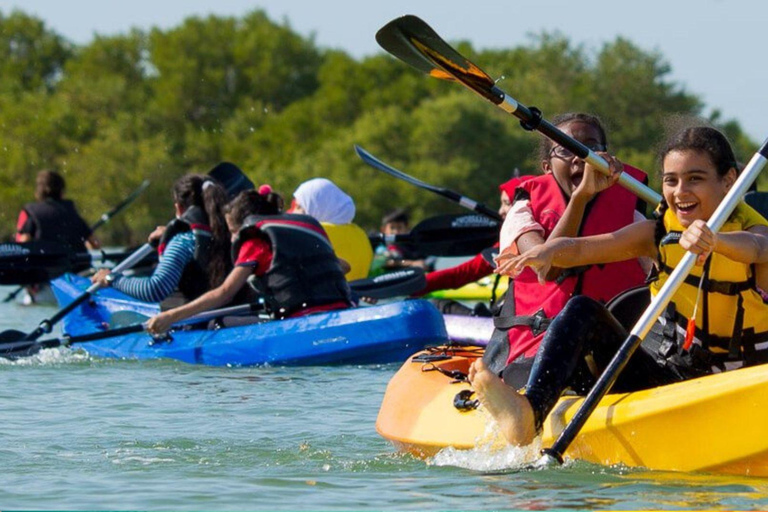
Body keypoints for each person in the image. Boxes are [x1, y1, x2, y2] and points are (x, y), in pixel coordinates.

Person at [470, 126, 768, 446]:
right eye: (671, 180)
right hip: (672, 379)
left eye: (695, 178)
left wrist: (715, 240)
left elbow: (757, 248)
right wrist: (549, 250)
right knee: (582, 309)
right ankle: (529, 411)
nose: (680, 191)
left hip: (746, 379)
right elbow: (586, 248)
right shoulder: (657, 234)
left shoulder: (755, 232)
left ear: (729, 181)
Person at [481, 113, 652, 388]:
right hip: (537, 352)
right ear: (547, 166)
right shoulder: (523, 211)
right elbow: (547, 268)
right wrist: (581, 197)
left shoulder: (632, 211)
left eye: (591, 147)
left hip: (611, 349)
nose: (580, 157)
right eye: (566, 149)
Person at [145, 186, 354, 334]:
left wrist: (170, 316)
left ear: (244, 225)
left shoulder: (255, 241)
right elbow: (344, 266)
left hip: (301, 323)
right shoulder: (298, 229)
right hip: (339, 312)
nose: (233, 239)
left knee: (217, 322)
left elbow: (224, 293)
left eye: (233, 232)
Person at [91, 174, 231, 309]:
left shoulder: (183, 241)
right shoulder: (231, 231)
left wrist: (112, 279)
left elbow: (155, 289)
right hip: (229, 317)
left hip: (193, 325)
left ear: (179, 208)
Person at [412, 176, 531, 316]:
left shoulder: (513, 244)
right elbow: (461, 274)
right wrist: (413, 284)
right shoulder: (506, 244)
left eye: (506, 203)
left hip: (521, 322)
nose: (500, 211)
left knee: (435, 305)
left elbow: (460, 274)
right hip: (515, 319)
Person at [288, 177, 370, 280]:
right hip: (358, 292)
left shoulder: (312, 232)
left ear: (316, 207)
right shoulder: (360, 233)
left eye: (299, 206)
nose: (292, 211)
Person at [16, 170, 100, 252]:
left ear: (39, 191)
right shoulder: (71, 212)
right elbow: (95, 244)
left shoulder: (32, 213)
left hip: (44, 264)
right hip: (73, 264)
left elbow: (23, 245)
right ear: (61, 191)